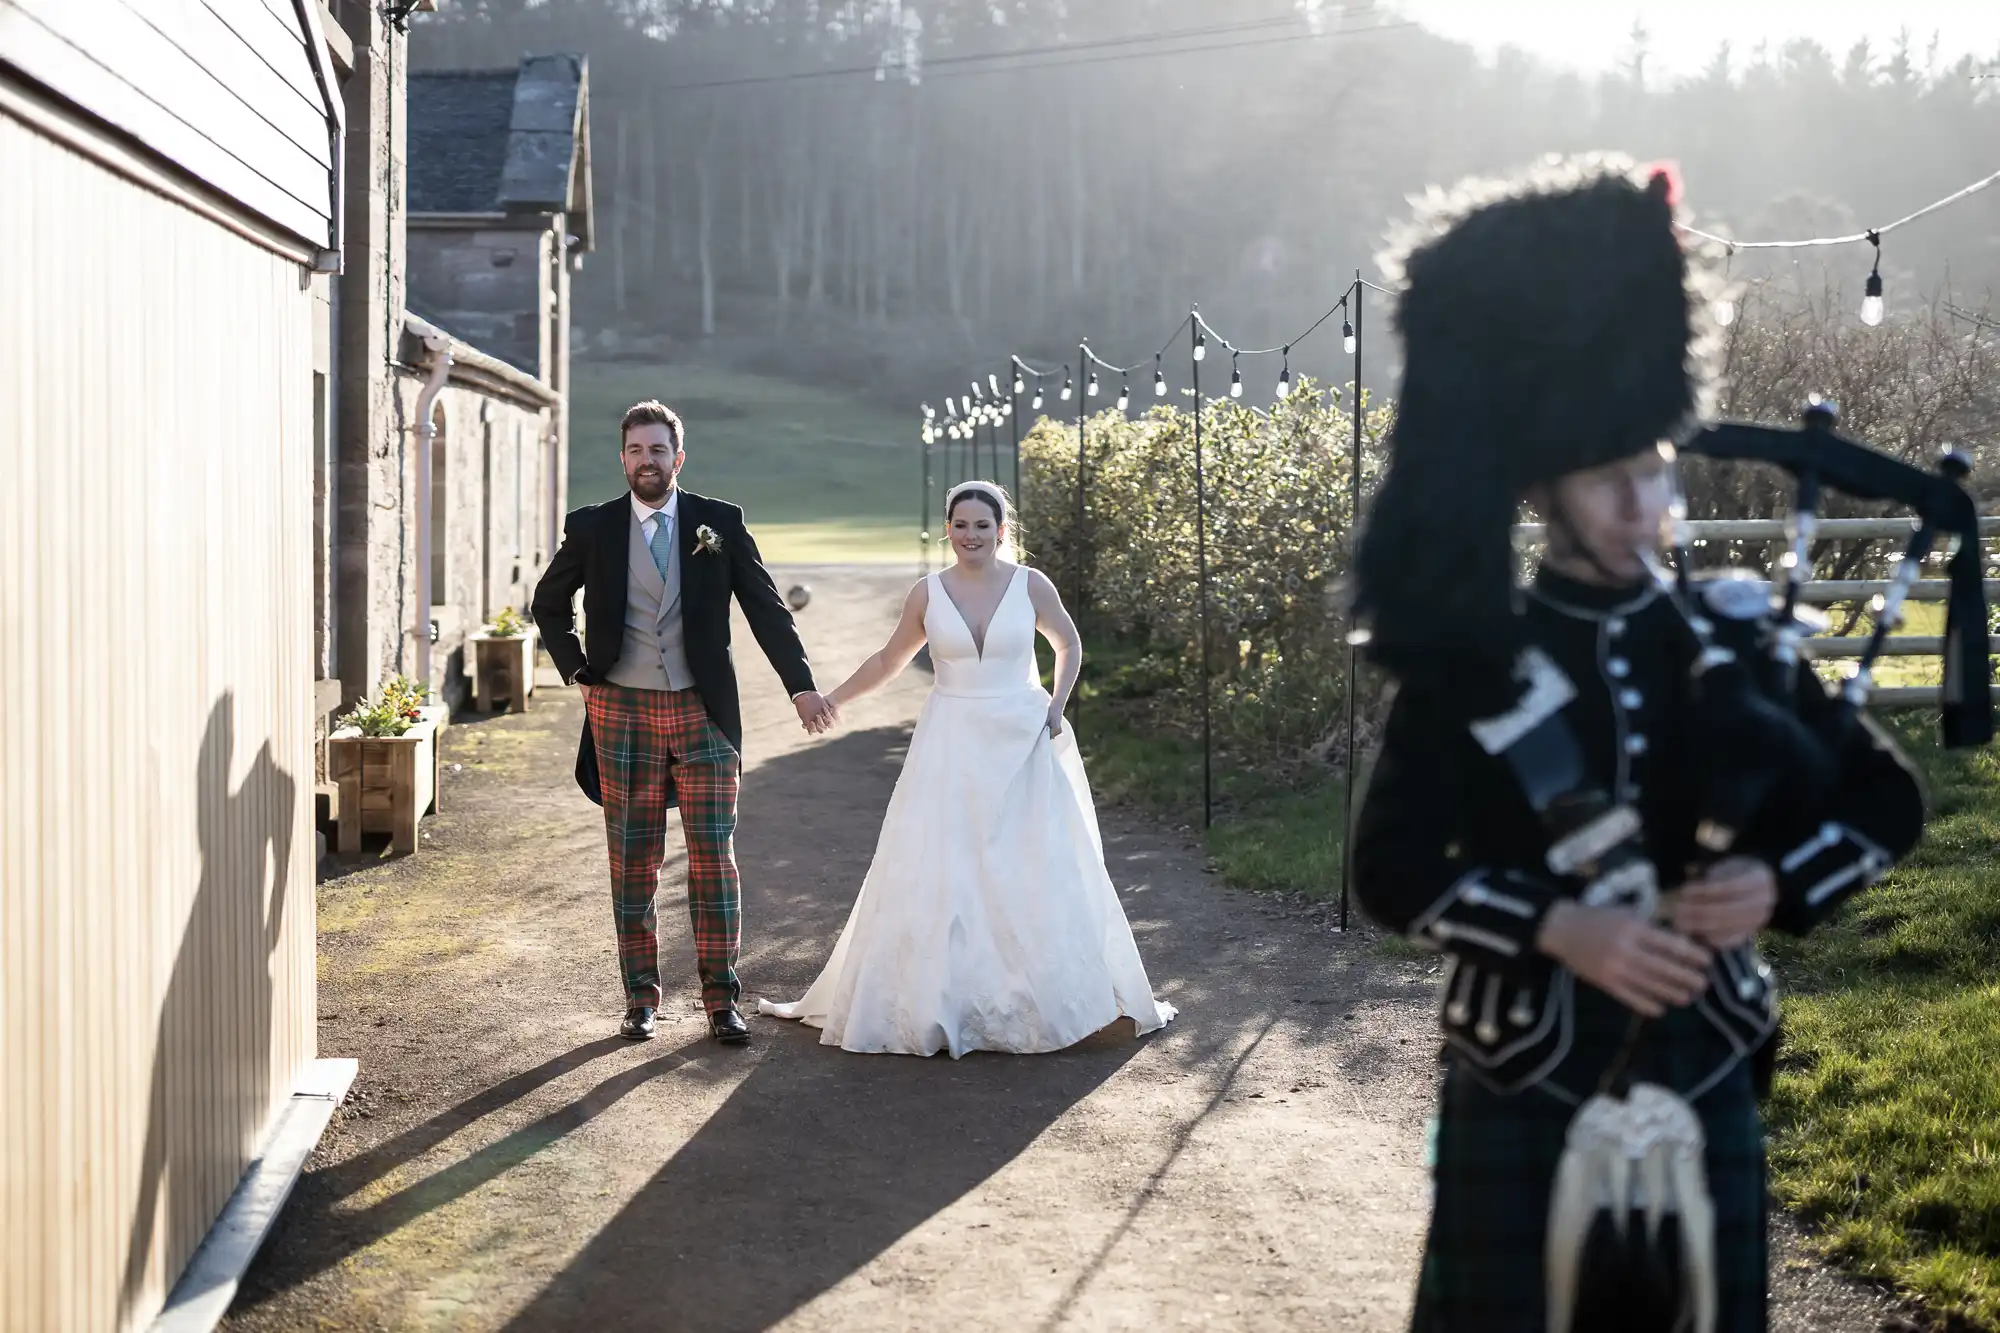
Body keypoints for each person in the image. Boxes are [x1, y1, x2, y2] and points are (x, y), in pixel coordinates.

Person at [1345, 157, 1926, 1331]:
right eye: (1606, 480)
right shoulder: (1471, 658)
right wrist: (1561, 925)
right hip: (1524, 1061)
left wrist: (1771, 883)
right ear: (1541, 491)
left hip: (1704, 1053)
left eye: (1652, 473)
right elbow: (1390, 873)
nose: (1642, 505)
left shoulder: (1731, 639)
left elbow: (1885, 801)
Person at [757, 481, 1178, 1056]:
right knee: (941, 862)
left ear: (1002, 530)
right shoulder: (927, 594)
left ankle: (1038, 998)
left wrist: (1055, 709)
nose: (971, 535)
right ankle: (941, 1000)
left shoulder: (1031, 585)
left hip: (1020, 736)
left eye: (983, 525)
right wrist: (833, 698)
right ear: (947, 530)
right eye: (960, 525)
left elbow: (1069, 645)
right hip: (950, 740)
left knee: (1025, 862)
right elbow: (888, 659)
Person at [531, 400, 837, 1045]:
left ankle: (721, 999)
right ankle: (641, 998)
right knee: (633, 860)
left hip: (704, 711)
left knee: (712, 858)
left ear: (679, 457)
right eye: (636, 451)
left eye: (659, 450)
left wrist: (801, 687)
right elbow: (549, 604)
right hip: (621, 710)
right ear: (623, 459)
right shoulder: (591, 528)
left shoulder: (718, 523)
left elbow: (766, 610)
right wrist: (579, 673)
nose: (648, 460)